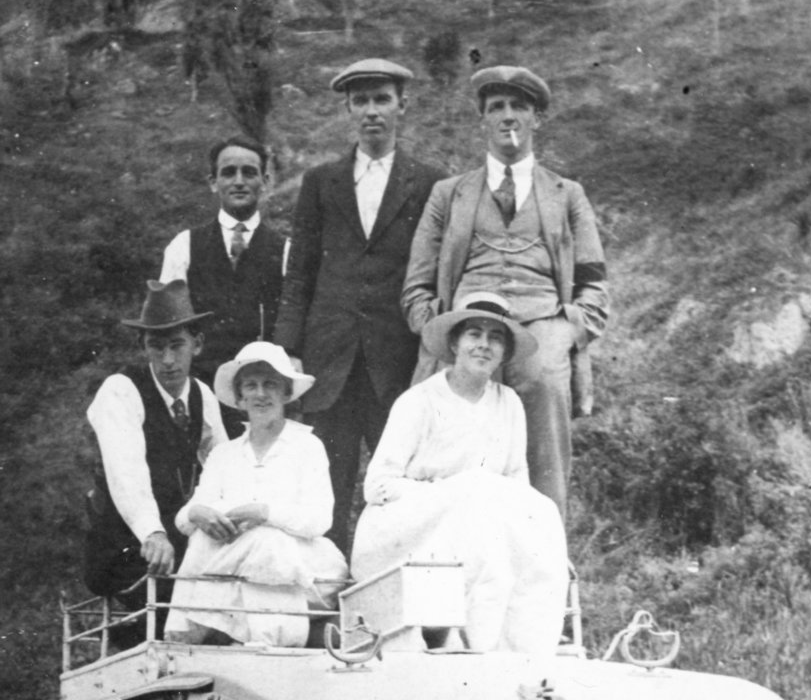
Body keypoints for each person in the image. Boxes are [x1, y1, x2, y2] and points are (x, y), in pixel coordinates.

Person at [402, 64, 609, 519]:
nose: (508, 116)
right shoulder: (448, 194)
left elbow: (595, 283)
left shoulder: (567, 194)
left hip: (542, 324)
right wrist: (437, 333)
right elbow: (416, 285)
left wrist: (568, 332)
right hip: (465, 324)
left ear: (538, 119)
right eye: (497, 107)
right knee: (451, 421)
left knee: (543, 378)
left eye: (520, 106)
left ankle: (547, 547)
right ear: (483, 121)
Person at [273, 58, 446, 553]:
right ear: (349, 109)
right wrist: (289, 350)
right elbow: (299, 273)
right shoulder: (320, 182)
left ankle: (393, 602)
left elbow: (434, 275)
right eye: (361, 101)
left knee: (400, 490)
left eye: (382, 99)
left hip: (397, 363)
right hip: (330, 364)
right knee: (328, 488)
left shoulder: (430, 182)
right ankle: (327, 606)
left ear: (402, 106)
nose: (372, 111)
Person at [351, 293, 568, 654]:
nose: (484, 345)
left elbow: (516, 481)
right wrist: (453, 494)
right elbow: (378, 485)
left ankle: (527, 642)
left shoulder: (509, 403)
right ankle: (476, 642)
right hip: (409, 526)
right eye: (474, 334)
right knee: (477, 501)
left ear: (504, 352)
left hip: (480, 521)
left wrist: (480, 498)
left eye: (495, 338)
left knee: (537, 511)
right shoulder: (419, 401)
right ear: (454, 343)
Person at [163, 341, 348, 647]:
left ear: (286, 393)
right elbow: (187, 517)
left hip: (305, 569)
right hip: (243, 576)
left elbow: (319, 520)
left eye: (271, 384)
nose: (260, 394)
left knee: (267, 539)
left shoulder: (307, 447)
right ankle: (258, 639)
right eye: (251, 385)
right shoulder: (224, 454)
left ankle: (189, 624)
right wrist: (197, 513)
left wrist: (265, 513)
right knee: (201, 536)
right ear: (240, 397)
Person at [84, 280, 228, 637]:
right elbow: (125, 471)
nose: (167, 360)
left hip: (174, 539)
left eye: (177, 346)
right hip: (125, 545)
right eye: (156, 347)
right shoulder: (121, 391)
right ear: (142, 346)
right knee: (187, 597)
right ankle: (131, 635)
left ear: (197, 344)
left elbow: (224, 464)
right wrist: (152, 531)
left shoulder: (202, 396)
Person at [160, 135, 288, 438]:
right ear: (213, 182)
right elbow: (168, 328)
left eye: (249, 172)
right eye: (229, 172)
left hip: (260, 393)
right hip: (201, 392)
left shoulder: (286, 251)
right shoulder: (184, 247)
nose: (239, 181)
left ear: (265, 181)